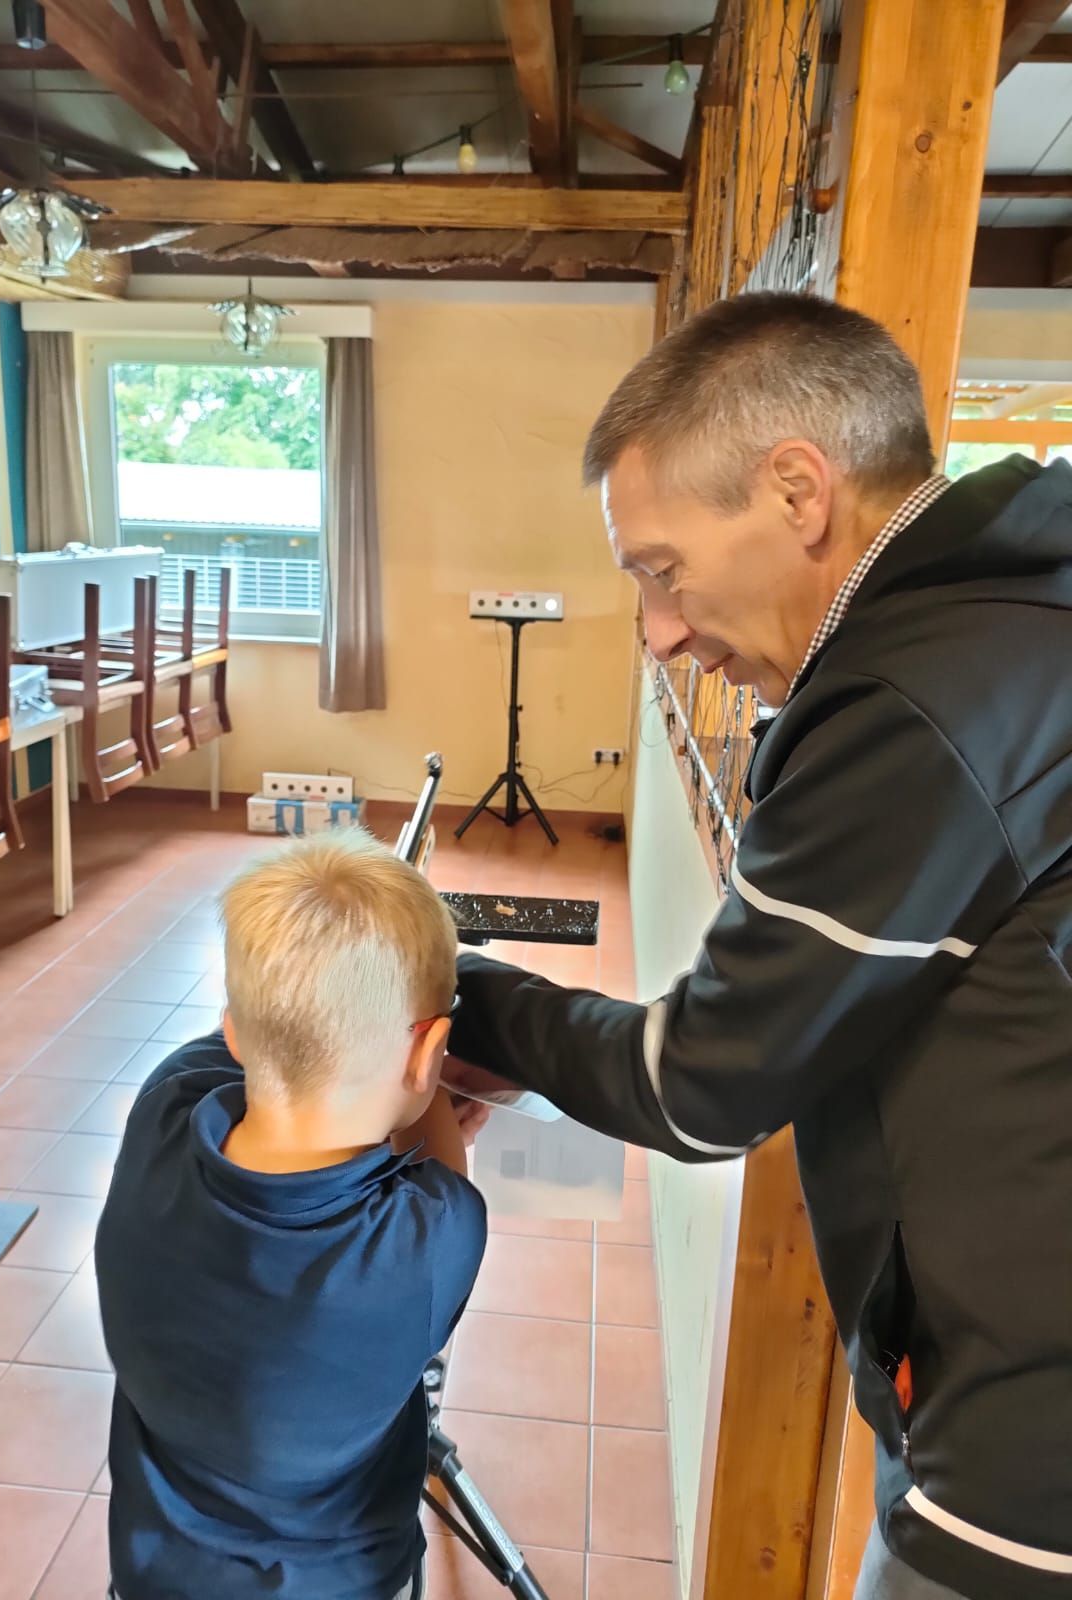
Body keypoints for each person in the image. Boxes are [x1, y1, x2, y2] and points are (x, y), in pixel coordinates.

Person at [445, 293, 1072, 1600]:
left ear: (797, 490)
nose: (661, 633)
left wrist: (460, 995)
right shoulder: (1021, 602)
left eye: (663, 571)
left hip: (1027, 1447)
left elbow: (700, 1085)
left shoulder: (912, 702)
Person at [96, 831, 486, 1600]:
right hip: (339, 1584)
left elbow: (263, 1037)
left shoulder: (165, 1108)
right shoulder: (426, 1243)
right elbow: (439, 1173)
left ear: (235, 1030)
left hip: (156, 1574)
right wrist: (428, 1094)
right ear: (428, 1051)